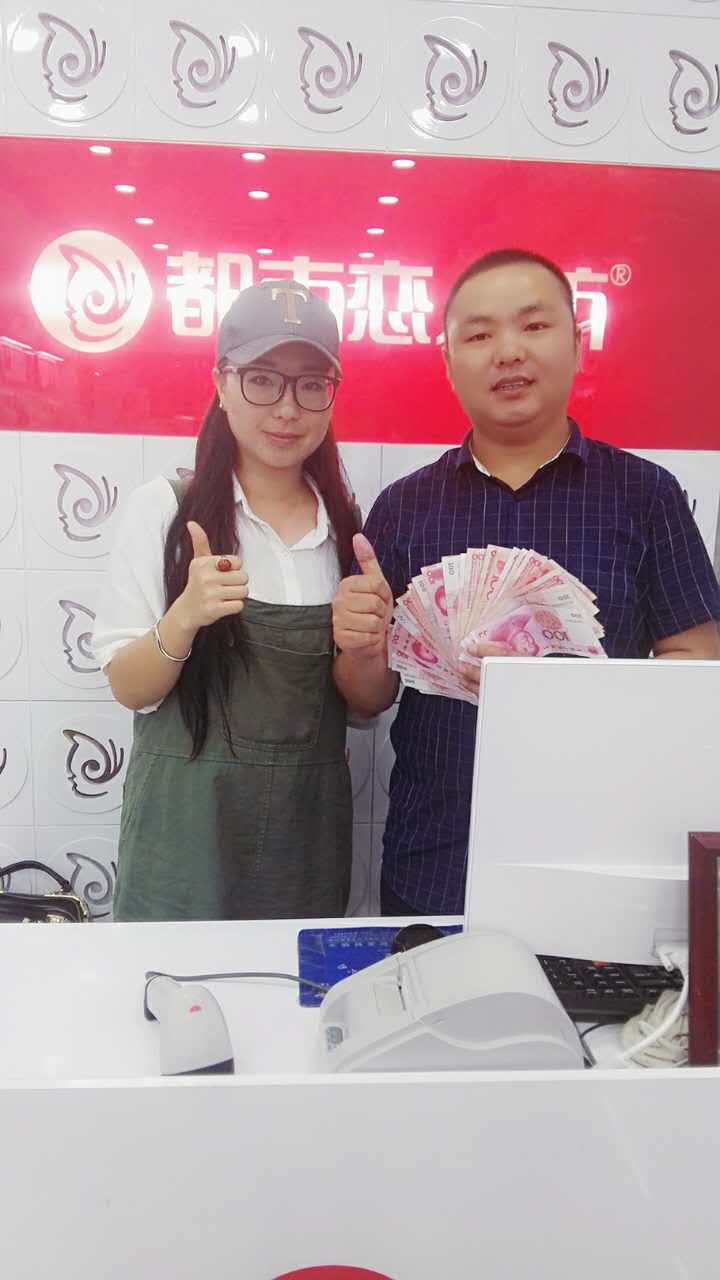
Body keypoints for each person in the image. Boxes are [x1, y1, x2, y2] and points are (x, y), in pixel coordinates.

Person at [331, 248, 720, 916]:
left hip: (600, 852)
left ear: (577, 344)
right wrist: (361, 648)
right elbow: (368, 698)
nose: (508, 352)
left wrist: (552, 690)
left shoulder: (647, 495)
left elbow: (698, 666)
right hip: (435, 858)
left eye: (534, 326)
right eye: (479, 335)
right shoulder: (404, 507)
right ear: (448, 363)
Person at [93, 279, 360, 920]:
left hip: (304, 837)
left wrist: (368, 645)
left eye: (311, 385)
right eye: (262, 380)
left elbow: (364, 707)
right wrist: (185, 617)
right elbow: (128, 687)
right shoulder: (165, 510)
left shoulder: (345, 526)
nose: (287, 409)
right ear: (221, 383)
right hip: (182, 834)